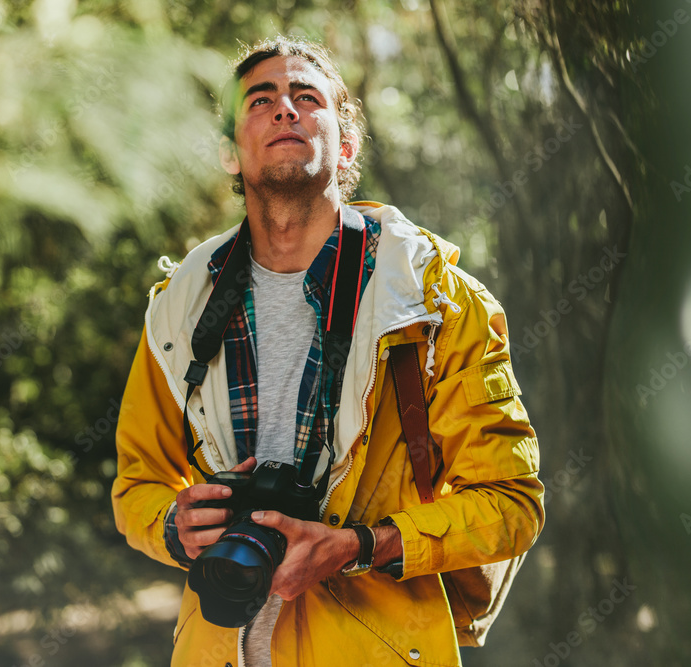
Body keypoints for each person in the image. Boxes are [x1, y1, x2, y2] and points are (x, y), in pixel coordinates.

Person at [111, 35, 544, 666]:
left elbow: (512, 502)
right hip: (218, 644)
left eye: (305, 96)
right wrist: (173, 526)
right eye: (260, 100)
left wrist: (361, 544)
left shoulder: (433, 302)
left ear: (344, 147)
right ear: (233, 154)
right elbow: (137, 484)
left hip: (378, 646)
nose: (283, 108)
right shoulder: (181, 307)